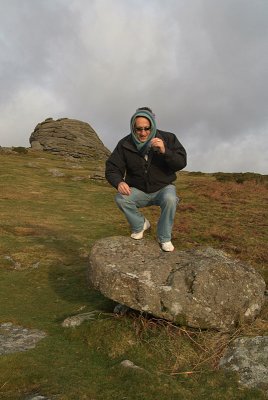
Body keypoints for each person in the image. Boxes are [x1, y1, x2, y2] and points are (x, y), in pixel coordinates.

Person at [105, 107, 187, 252]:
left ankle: (164, 238)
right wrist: (119, 182)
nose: (143, 133)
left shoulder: (168, 138)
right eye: (138, 129)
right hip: (139, 190)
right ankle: (140, 224)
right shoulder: (124, 144)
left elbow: (181, 163)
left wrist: (165, 151)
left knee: (170, 199)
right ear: (133, 127)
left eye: (147, 128)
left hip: (163, 188)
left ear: (153, 125)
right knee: (121, 198)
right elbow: (112, 168)